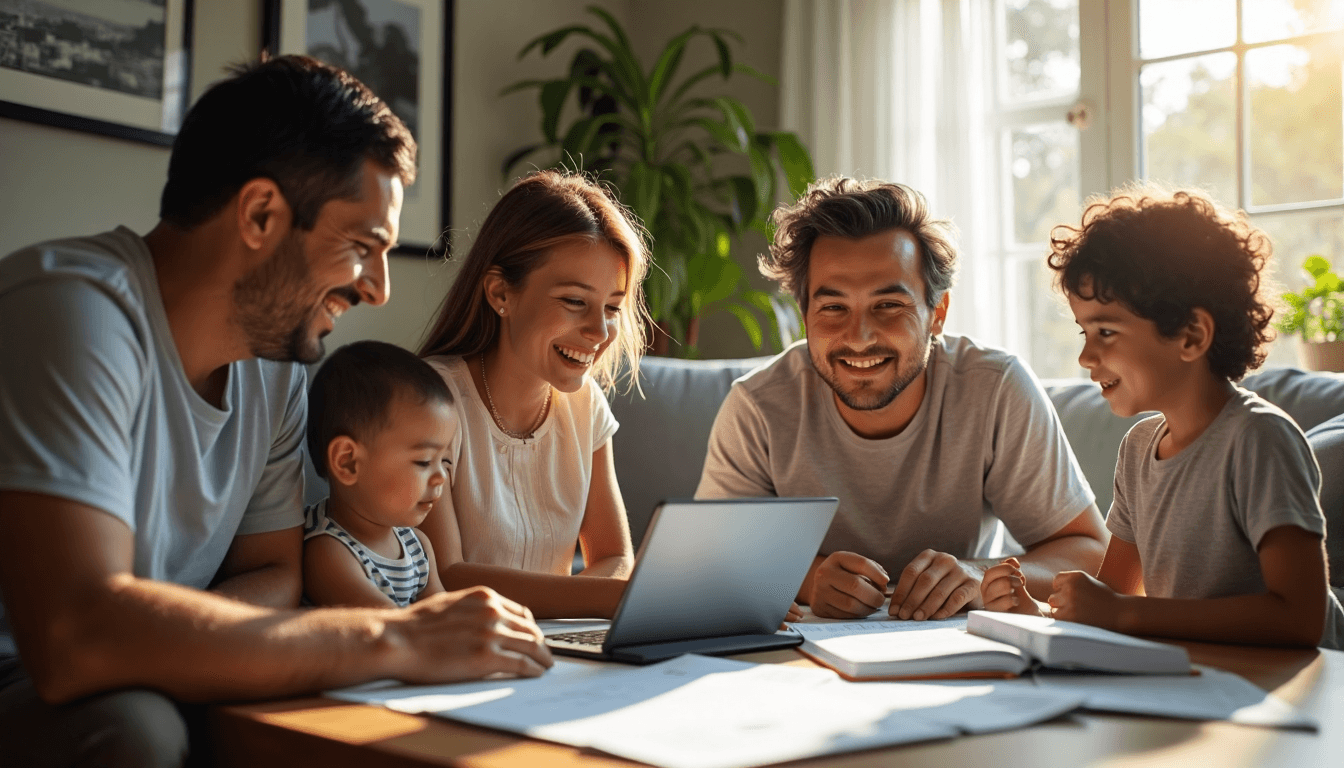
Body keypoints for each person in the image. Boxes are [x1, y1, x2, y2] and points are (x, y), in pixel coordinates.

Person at [0, 56, 550, 768]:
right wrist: (402, 638)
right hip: (33, 684)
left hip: (141, 673)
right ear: (261, 214)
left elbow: (274, 574)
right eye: (362, 247)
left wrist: (179, 639)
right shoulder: (72, 313)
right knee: (140, 729)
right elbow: (80, 636)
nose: (380, 290)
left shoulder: (277, 368)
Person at [696, 176, 1108, 621]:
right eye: (833, 308)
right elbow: (711, 562)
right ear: (804, 315)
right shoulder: (757, 406)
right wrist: (808, 579)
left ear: (938, 313)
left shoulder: (995, 389)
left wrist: (978, 576)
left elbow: (1090, 553)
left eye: (888, 305)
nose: (859, 338)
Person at [981, 186, 1344, 649]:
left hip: (1308, 688)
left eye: (1106, 331)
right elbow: (1112, 596)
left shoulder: (1259, 439)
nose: (1086, 356)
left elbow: (1300, 618)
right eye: (1083, 331)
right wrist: (1038, 614)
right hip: (1208, 681)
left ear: (1191, 336)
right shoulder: (1138, 448)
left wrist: (1125, 612)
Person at [417, 170, 648, 619]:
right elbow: (448, 576)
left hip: (557, 646)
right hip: (463, 644)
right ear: (501, 292)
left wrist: (594, 608)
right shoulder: (432, 400)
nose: (600, 332)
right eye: (575, 302)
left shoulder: (586, 408)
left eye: (613, 307)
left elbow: (616, 558)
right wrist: (613, 600)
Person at [303, 341, 455, 608]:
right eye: (423, 461)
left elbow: (443, 619)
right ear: (348, 463)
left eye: (444, 461)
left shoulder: (417, 544)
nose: (441, 476)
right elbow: (391, 628)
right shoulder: (327, 551)